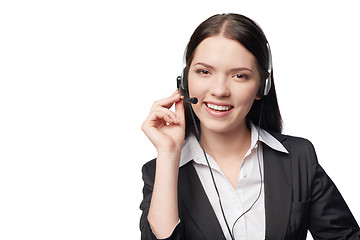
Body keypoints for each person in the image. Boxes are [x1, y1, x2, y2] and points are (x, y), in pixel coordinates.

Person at [139, 13, 360, 240]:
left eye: (239, 75)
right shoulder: (160, 171)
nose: (219, 90)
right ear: (185, 81)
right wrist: (168, 155)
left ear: (261, 87)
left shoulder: (298, 158)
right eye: (204, 72)